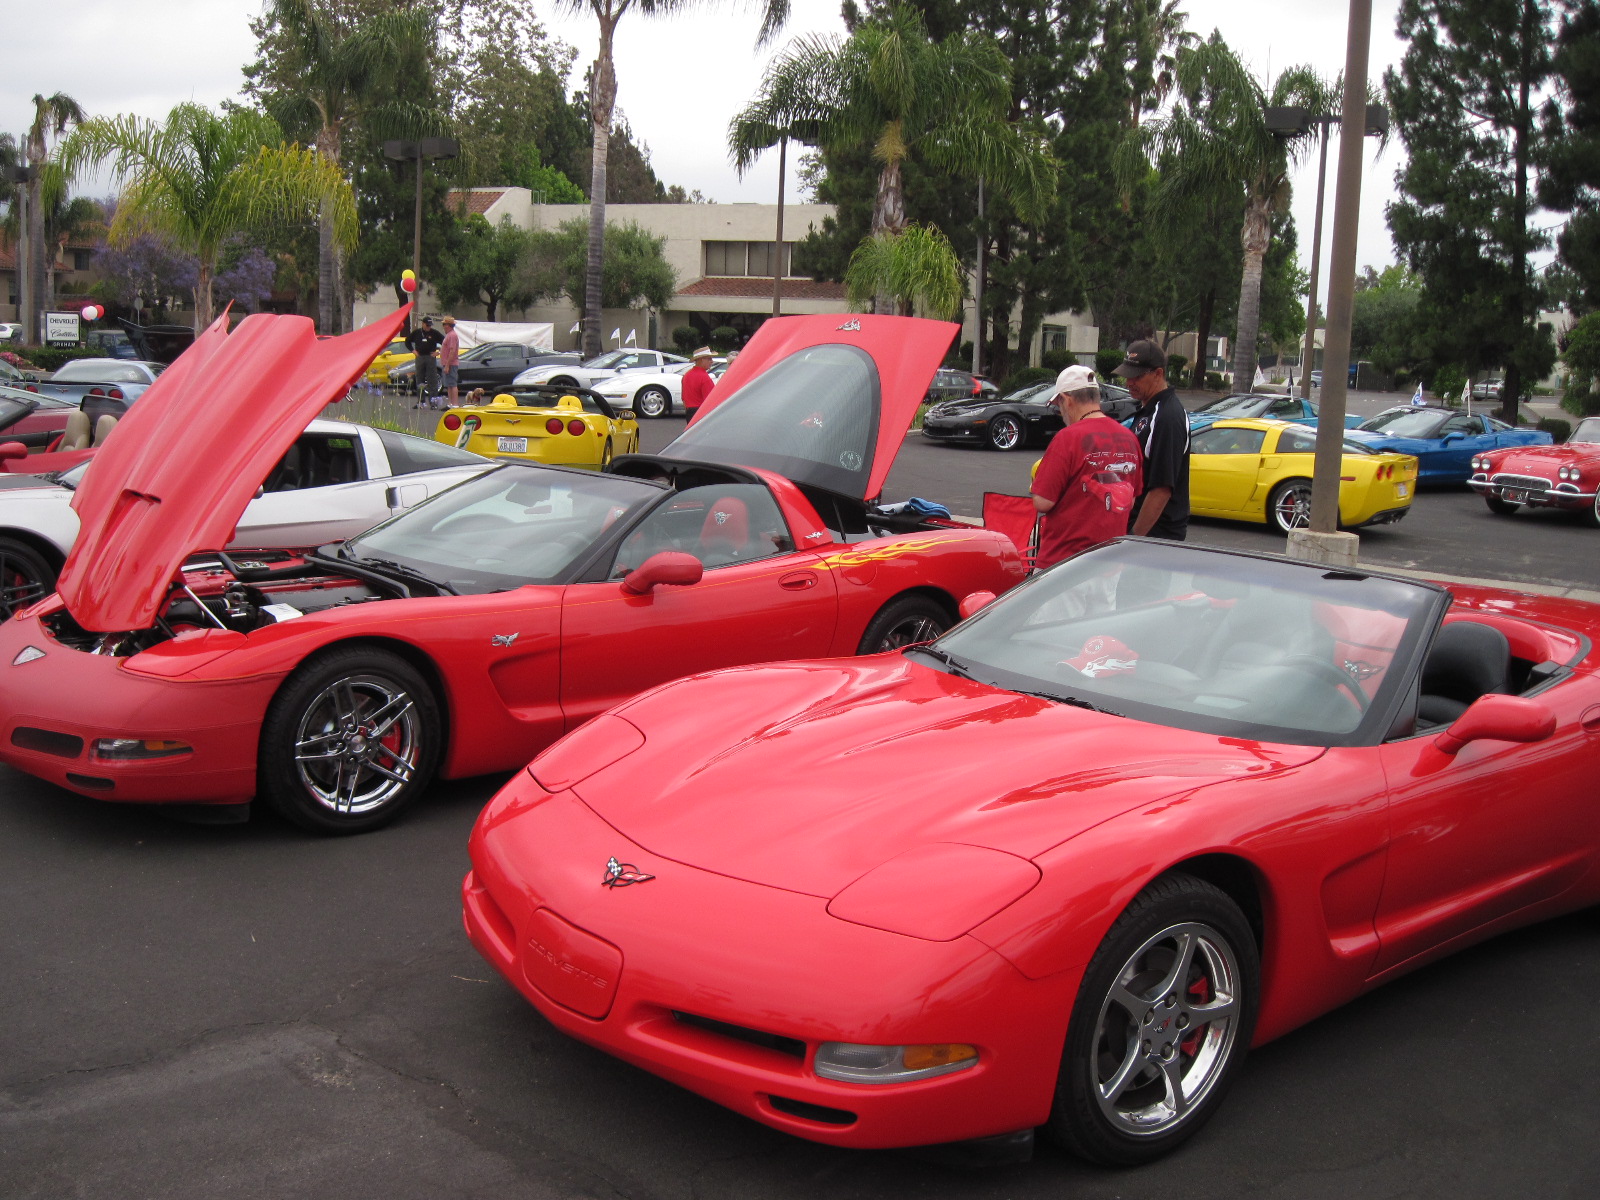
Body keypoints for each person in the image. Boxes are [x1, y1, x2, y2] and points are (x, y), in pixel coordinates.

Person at [1031, 364, 1144, 569]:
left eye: (1058, 405)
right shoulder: (1129, 438)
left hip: (1064, 560)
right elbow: (1131, 500)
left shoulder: (1068, 437)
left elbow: (1042, 502)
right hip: (1108, 562)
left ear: (1067, 400)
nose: (1060, 412)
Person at [1115, 339, 1190, 540]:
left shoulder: (1167, 416)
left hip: (1155, 537)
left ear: (1158, 374)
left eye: (1137, 376)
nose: (1129, 382)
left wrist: (1132, 538)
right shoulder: (1148, 409)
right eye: (1126, 376)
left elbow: (1162, 489)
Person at [405, 316, 443, 408]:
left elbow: (445, 341)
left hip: (430, 357)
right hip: (420, 356)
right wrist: (413, 351)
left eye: (430, 325)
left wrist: (438, 352)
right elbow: (407, 341)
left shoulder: (434, 333)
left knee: (432, 380)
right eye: (427, 325)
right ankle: (421, 402)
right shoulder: (417, 333)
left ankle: (433, 402)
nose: (428, 327)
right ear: (423, 324)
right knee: (419, 379)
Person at [682, 346, 716, 420]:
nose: (712, 361)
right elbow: (710, 400)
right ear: (702, 360)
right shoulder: (704, 377)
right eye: (709, 359)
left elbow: (684, 399)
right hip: (701, 412)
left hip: (689, 413)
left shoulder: (686, 375)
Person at [438, 315, 460, 408]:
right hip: (447, 363)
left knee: (452, 384)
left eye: (444, 324)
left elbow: (452, 350)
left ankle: (454, 404)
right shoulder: (449, 335)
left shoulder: (452, 335)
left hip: (451, 364)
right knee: (449, 384)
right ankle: (450, 403)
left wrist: (447, 365)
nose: (443, 326)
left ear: (449, 325)